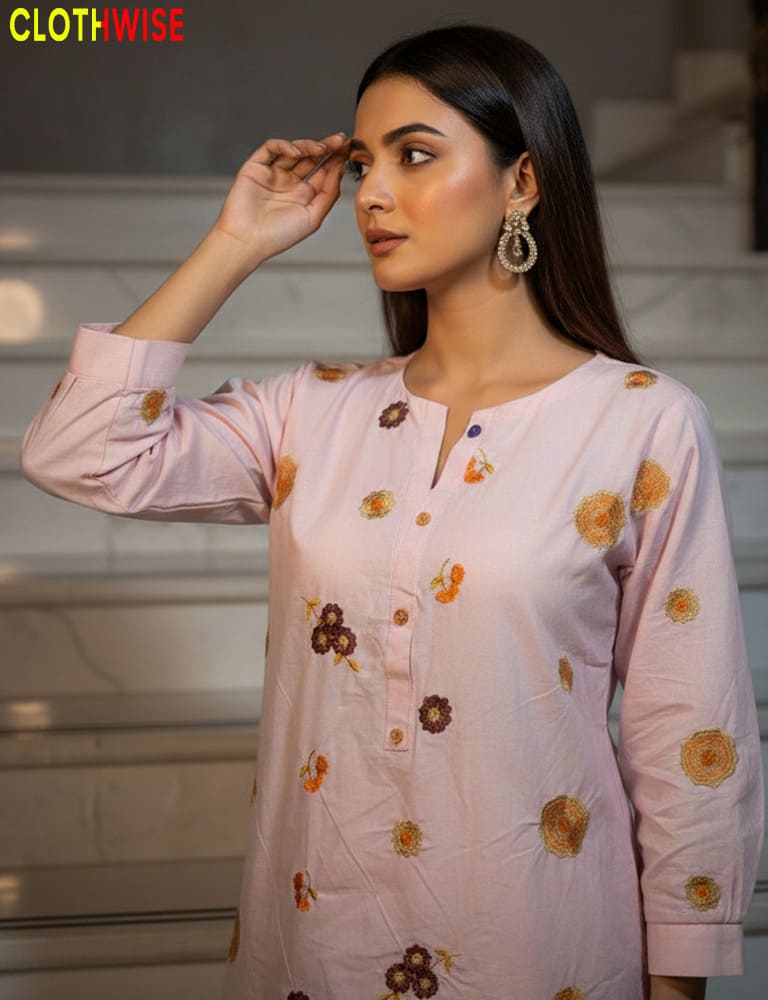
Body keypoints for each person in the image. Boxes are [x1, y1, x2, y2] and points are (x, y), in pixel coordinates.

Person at [20, 22, 763, 1000]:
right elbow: (76, 451)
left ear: (523, 181)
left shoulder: (642, 423)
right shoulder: (308, 413)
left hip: (543, 947)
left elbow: (689, 724)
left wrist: (681, 978)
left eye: (415, 155)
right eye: (365, 162)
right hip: (313, 938)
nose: (370, 192)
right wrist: (236, 242)